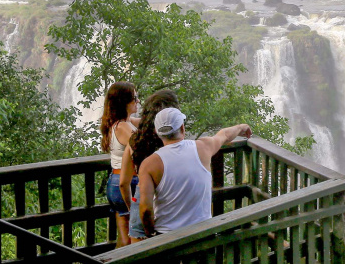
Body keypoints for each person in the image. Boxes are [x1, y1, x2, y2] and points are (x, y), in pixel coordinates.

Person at [138, 108, 252, 237]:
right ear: (182, 127)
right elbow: (225, 135)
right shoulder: (203, 147)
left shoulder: (149, 164)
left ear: (157, 132)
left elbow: (146, 209)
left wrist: (150, 234)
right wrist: (241, 127)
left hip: (167, 238)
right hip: (202, 234)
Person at [118, 89, 180, 242]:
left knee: (138, 256)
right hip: (169, 202)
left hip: (142, 201)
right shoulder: (170, 141)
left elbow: (123, 183)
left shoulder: (135, 142)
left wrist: (131, 206)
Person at [100, 81, 141, 247]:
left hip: (115, 182)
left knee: (124, 238)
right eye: (135, 98)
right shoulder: (124, 127)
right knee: (135, 239)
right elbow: (142, 146)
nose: (138, 101)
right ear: (125, 102)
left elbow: (146, 121)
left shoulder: (119, 123)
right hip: (128, 184)